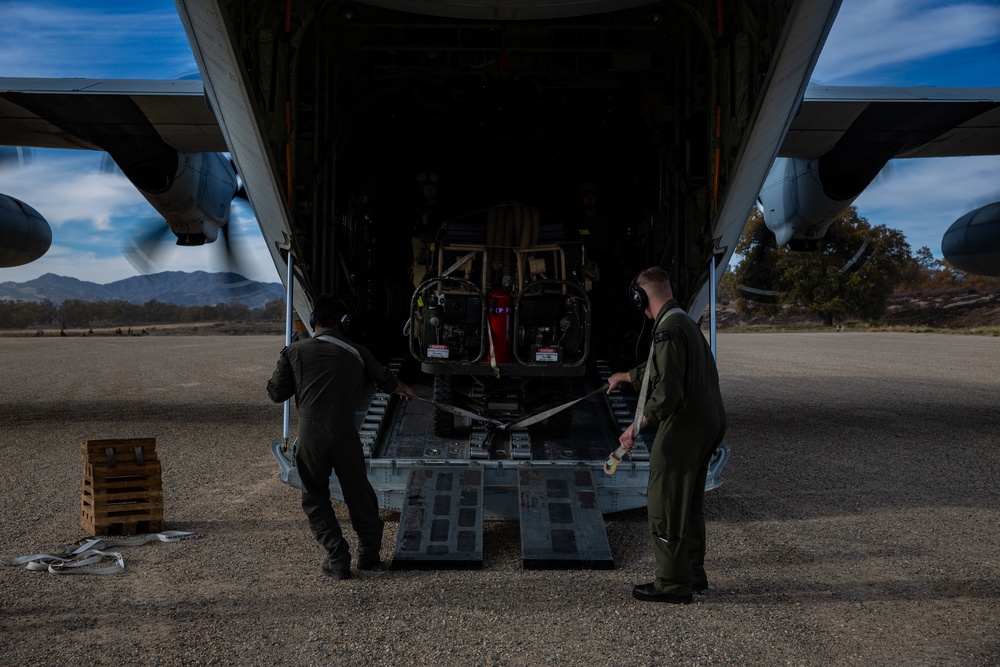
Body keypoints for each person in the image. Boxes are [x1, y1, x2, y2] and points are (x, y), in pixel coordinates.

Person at [266, 294, 417, 579]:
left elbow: (276, 394)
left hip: (311, 435)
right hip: (346, 433)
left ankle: (337, 558)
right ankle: (369, 557)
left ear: (314, 322)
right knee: (359, 495)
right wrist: (406, 389)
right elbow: (387, 382)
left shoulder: (295, 351)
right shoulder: (358, 351)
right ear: (343, 323)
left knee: (315, 497)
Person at [606, 267, 726, 603]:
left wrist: (634, 428)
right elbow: (661, 367)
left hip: (686, 425)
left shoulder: (667, 330)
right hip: (710, 420)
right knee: (688, 503)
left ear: (640, 298)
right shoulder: (681, 321)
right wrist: (626, 375)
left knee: (665, 502)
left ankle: (673, 584)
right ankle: (693, 574)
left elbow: (666, 393)